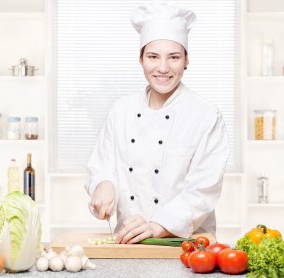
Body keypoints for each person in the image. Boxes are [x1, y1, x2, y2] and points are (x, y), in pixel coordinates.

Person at [85, 1, 229, 244]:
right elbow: (103, 166)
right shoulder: (121, 110)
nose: (163, 68)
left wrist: (158, 226)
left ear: (186, 60)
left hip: (188, 247)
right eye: (153, 56)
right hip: (128, 242)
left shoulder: (206, 115)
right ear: (140, 59)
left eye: (174, 57)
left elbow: (204, 189)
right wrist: (103, 184)